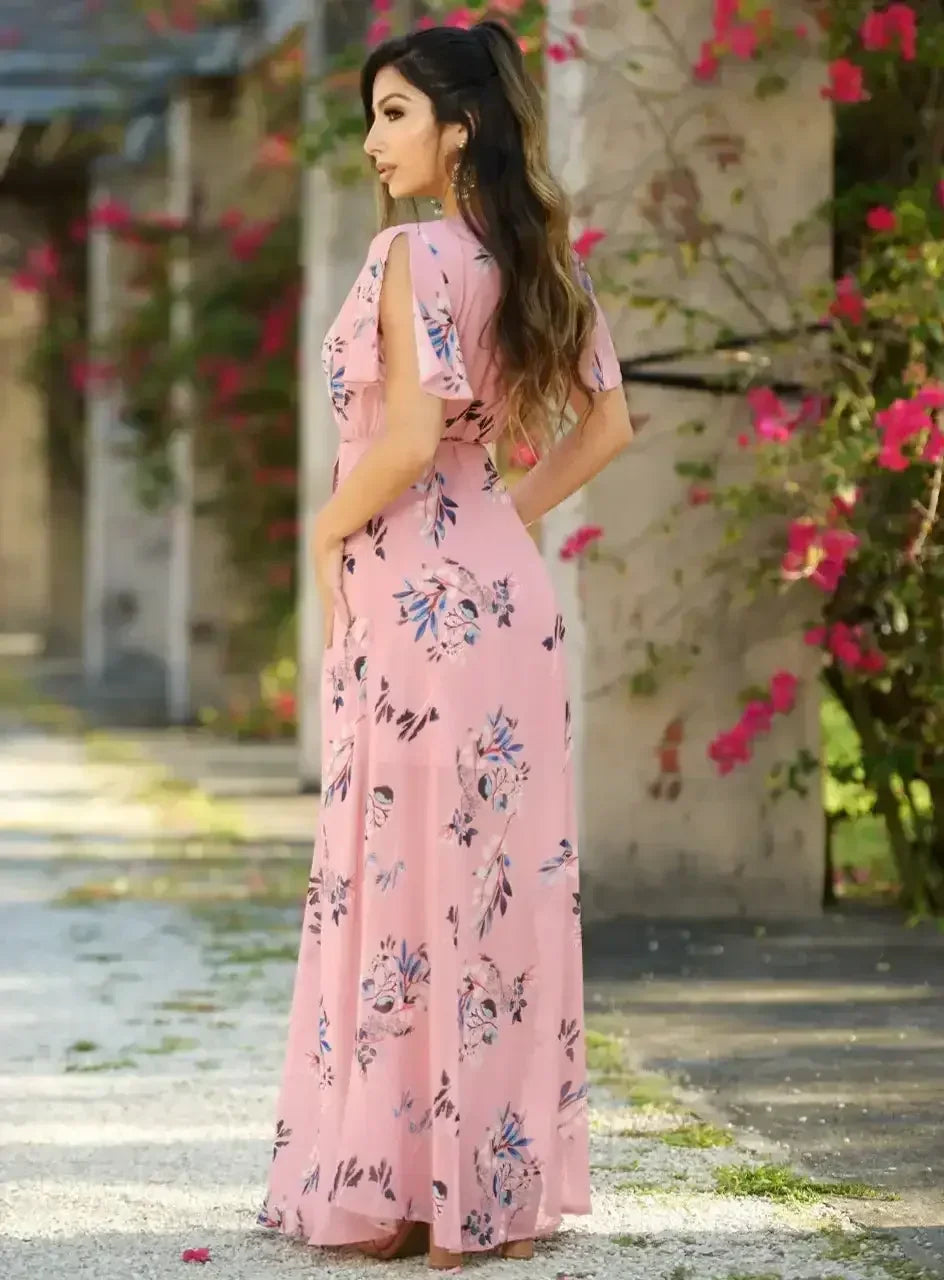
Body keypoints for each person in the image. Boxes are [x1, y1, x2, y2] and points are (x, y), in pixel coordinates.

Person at [258, 17, 633, 1272]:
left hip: (413, 593)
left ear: (458, 124)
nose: (372, 142)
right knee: (492, 879)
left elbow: (407, 442)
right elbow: (609, 425)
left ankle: (402, 1190)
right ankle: (482, 1191)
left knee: (403, 871)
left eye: (395, 114)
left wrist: (323, 533)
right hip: (501, 594)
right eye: (373, 115)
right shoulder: (529, 255)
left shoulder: (412, 253)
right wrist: (506, 518)